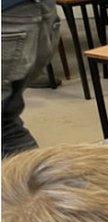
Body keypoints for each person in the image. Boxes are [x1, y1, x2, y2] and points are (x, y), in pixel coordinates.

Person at [1, 0, 59, 157]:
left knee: (5, 126)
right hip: (38, 14)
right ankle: (30, 178)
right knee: (6, 121)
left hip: (10, 19)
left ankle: (27, 178)